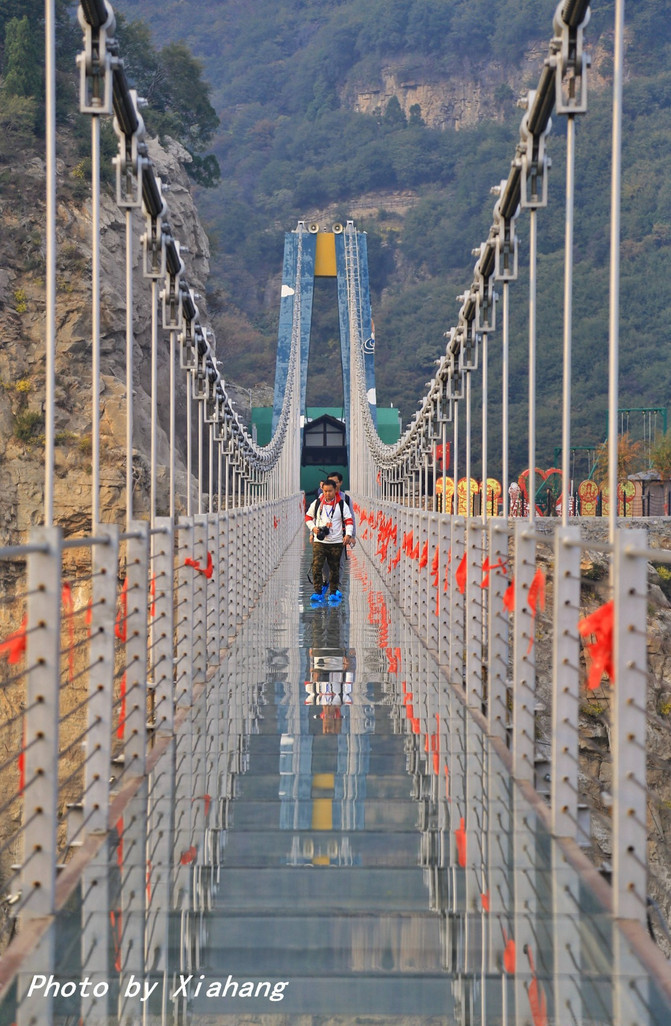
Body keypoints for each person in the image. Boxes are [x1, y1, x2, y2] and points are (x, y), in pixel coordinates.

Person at [305, 479, 354, 604]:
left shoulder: (341, 505)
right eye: (325, 491)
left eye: (330, 491)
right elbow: (308, 517)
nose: (327, 494)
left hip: (336, 542)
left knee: (335, 568)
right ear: (322, 490)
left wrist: (348, 534)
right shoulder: (317, 503)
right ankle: (318, 591)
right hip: (320, 542)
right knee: (316, 566)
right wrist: (313, 528)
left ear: (335, 490)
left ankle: (333, 592)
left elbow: (348, 520)